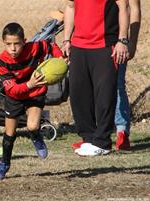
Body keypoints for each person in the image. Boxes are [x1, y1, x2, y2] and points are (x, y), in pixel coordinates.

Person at [0, 22, 63, 180]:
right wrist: (29, 83)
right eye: (8, 44)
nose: (13, 48)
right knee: (10, 134)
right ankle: (4, 163)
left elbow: (50, 45)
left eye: (16, 44)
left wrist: (61, 59)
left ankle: (36, 136)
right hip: (15, 97)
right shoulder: (2, 62)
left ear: (24, 41)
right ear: (3, 43)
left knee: (32, 126)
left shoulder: (34, 48)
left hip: (35, 93)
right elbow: (12, 90)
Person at [63, 0, 130, 156]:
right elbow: (70, 7)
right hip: (78, 46)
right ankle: (89, 138)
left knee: (104, 95)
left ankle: (103, 142)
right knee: (79, 95)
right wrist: (67, 39)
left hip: (105, 45)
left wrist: (122, 40)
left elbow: (124, 7)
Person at [115, 0, 141, 151]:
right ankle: (90, 133)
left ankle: (122, 132)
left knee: (118, 86)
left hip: (118, 41)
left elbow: (135, 9)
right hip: (91, 41)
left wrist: (132, 42)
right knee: (91, 86)